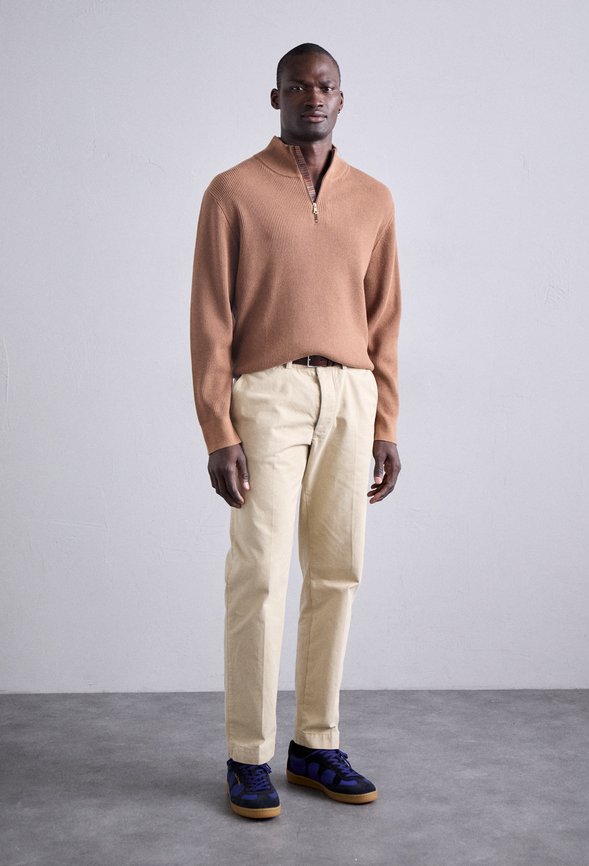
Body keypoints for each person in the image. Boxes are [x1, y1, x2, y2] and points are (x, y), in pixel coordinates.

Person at [190, 42, 402, 819]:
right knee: (260, 575)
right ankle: (248, 754)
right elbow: (210, 318)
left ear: (341, 98)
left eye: (326, 86)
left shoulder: (373, 198)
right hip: (267, 394)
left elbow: (385, 319)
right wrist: (218, 428)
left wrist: (385, 420)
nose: (313, 97)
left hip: (350, 393)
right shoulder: (232, 192)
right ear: (274, 97)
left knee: (338, 572)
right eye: (298, 86)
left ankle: (315, 743)